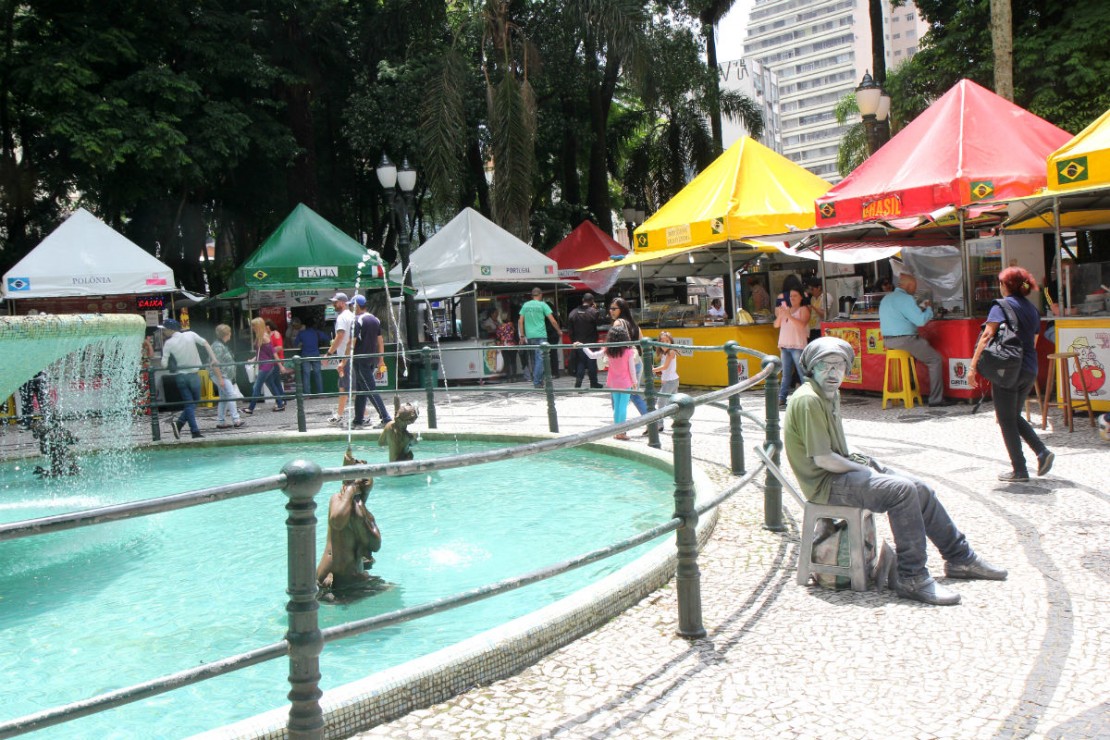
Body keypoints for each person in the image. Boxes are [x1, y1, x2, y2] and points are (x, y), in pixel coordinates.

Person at [783, 337, 1008, 606]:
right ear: (811, 367)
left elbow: (838, 449)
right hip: (826, 484)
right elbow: (824, 459)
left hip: (841, 472)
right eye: (824, 366)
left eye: (839, 366)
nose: (832, 373)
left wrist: (865, 462)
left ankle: (960, 557)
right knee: (901, 491)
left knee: (920, 488)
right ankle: (912, 576)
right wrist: (864, 469)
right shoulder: (809, 399)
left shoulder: (830, 393)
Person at [967, 267, 1054, 482]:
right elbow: (1033, 342)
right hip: (1029, 369)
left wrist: (972, 366)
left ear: (1007, 285)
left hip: (1007, 369)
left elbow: (987, 335)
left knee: (1005, 419)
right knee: (1011, 416)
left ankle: (1020, 470)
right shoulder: (1032, 309)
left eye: (1001, 283)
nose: (999, 286)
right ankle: (1042, 453)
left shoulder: (1001, 306)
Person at [878, 272, 952, 407]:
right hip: (905, 340)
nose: (915, 290)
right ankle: (936, 399)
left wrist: (919, 309)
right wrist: (929, 308)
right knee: (934, 359)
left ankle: (911, 388)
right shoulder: (906, 299)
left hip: (888, 341)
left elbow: (902, 316)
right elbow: (921, 321)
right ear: (909, 286)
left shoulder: (886, 299)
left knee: (913, 357)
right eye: (914, 287)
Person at [316, 449, 382, 592]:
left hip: (351, 577)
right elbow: (337, 520)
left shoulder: (363, 510)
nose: (364, 480)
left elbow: (376, 545)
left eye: (367, 475)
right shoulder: (338, 499)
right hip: (333, 580)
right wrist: (351, 490)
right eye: (361, 475)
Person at [160, 318, 223, 438]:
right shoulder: (191, 335)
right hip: (194, 374)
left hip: (180, 376)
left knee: (189, 403)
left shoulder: (168, 343)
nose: (163, 332)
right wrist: (214, 358)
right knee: (194, 401)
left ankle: (181, 425)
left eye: (164, 329)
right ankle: (193, 431)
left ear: (170, 330)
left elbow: (163, 364)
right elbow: (205, 343)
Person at [576, 325, 639, 441]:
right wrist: (635, 382)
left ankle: (616, 431)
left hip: (613, 382)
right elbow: (632, 369)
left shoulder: (608, 350)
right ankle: (622, 432)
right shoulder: (628, 351)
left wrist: (583, 346)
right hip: (625, 382)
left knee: (616, 407)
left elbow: (592, 355)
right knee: (623, 407)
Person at [349, 295, 392, 429]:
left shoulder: (357, 320)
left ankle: (386, 418)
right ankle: (358, 420)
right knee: (362, 390)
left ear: (356, 306)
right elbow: (380, 341)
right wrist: (381, 360)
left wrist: (344, 361)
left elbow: (352, 343)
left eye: (352, 305)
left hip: (360, 360)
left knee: (370, 389)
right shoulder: (375, 319)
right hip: (371, 359)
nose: (351, 308)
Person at [607, 297, 649, 425]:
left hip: (624, 366)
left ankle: (619, 427)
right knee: (633, 395)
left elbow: (613, 346)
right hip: (635, 362)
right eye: (610, 308)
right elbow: (641, 344)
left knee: (619, 397)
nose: (611, 311)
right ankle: (654, 422)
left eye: (614, 309)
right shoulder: (634, 324)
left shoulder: (618, 323)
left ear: (622, 309)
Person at [517, 287, 561, 388]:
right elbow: (553, 320)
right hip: (541, 336)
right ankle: (537, 381)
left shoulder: (525, 305)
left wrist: (522, 335)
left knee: (534, 359)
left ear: (532, 295)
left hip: (530, 336)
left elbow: (520, 321)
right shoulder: (543, 305)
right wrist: (558, 330)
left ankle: (538, 380)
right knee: (541, 359)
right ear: (540, 295)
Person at [774, 287, 811, 406]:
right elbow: (776, 325)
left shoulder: (803, 309)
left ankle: (809, 396)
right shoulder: (786, 309)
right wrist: (781, 314)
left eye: (795, 295)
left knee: (802, 372)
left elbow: (802, 325)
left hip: (798, 345)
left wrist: (789, 315)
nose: (792, 298)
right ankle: (782, 397)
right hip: (785, 345)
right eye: (790, 296)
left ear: (801, 297)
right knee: (785, 373)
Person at [244, 316, 286, 415]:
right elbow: (262, 352)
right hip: (266, 365)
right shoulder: (262, 336)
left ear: (258, 326)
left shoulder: (263, 337)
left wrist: (280, 366)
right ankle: (280, 404)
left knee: (257, 387)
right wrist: (254, 359)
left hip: (265, 366)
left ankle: (251, 408)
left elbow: (272, 353)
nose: (252, 328)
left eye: (253, 326)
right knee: (271, 385)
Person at [324, 292, 356, 423]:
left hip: (346, 357)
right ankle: (339, 415)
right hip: (350, 356)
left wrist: (329, 353)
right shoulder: (352, 316)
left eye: (335, 302)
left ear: (342, 303)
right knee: (344, 386)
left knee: (351, 388)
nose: (333, 304)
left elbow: (340, 336)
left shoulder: (342, 318)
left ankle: (364, 416)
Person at [211, 324, 244, 429]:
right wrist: (220, 379)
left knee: (224, 398)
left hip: (223, 375)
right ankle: (236, 419)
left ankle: (221, 421)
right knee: (230, 394)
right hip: (222, 375)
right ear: (226, 334)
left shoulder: (219, 345)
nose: (231, 334)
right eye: (229, 332)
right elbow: (215, 364)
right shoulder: (218, 346)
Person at [568, 294, 604, 389]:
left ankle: (578, 383)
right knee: (591, 361)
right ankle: (593, 383)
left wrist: (574, 341)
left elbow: (570, 330)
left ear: (582, 299)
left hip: (578, 343)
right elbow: (600, 323)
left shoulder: (573, 313)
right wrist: (595, 309)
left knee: (581, 362)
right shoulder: (593, 312)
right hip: (591, 341)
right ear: (592, 301)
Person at [295, 317, 327, 395]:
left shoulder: (301, 333)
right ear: (313, 325)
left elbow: (295, 343)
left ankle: (307, 394)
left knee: (306, 374)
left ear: (304, 325)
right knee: (317, 373)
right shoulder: (317, 332)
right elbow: (327, 338)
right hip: (315, 354)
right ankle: (320, 393)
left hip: (305, 355)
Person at [495, 312, 520, 381]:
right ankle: (514, 376)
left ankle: (508, 377)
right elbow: (515, 334)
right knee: (513, 361)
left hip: (503, 346)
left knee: (506, 362)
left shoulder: (499, 327)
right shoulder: (511, 325)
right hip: (512, 345)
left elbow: (498, 337)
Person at [805, 278, 827, 342]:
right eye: (810, 290)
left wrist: (812, 306)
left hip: (820, 329)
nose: (811, 292)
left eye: (812, 289)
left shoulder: (826, 297)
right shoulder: (812, 298)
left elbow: (824, 315)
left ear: (819, 288)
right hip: (811, 328)